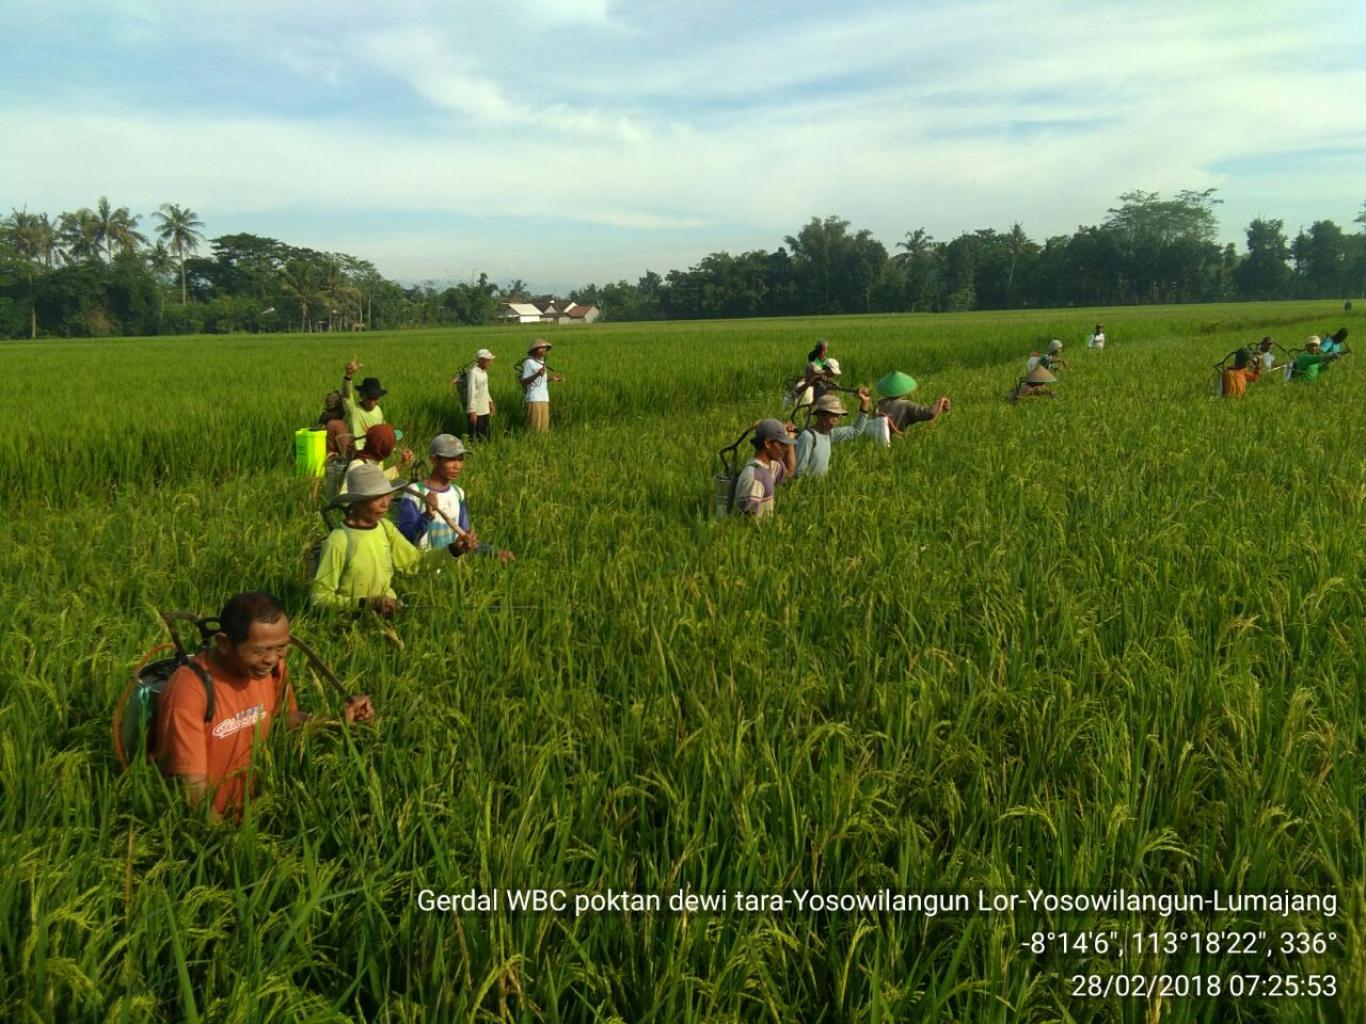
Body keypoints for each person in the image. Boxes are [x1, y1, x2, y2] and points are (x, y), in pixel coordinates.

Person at [154, 592, 374, 817]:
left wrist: (335, 722)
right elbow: (192, 793)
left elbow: (283, 720)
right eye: (259, 651)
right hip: (211, 823)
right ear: (224, 643)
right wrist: (226, 836)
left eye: (280, 648)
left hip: (255, 815)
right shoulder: (189, 691)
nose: (271, 659)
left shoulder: (273, 669)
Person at [312, 463, 460, 615]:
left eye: (387, 495)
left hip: (387, 616)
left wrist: (453, 550)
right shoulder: (339, 540)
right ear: (356, 502)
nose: (384, 504)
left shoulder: (385, 528)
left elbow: (415, 562)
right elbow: (320, 598)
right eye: (376, 497)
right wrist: (366, 603)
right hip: (351, 620)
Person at [396, 434, 515, 564]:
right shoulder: (415, 493)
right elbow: (406, 538)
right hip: (422, 568)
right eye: (451, 460)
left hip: (450, 570)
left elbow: (463, 538)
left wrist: (493, 552)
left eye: (460, 459)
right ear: (434, 460)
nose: (457, 466)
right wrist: (427, 516)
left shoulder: (458, 493)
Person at [793, 389, 871, 477]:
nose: (836, 419)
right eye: (833, 414)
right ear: (821, 415)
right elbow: (798, 471)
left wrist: (865, 403)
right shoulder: (807, 437)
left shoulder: (830, 434)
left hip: (820, 484)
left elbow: (856, 430)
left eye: (838, 415)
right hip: (807, 484)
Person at [329, 423, 413, 502]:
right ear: (383, 448)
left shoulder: (376, 461)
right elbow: (344, 496)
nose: (394, 448)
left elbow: (378, 479)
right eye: (392, 445)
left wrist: (402, 464)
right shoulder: (358, 465)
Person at [732, 418, 797, 517]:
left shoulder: (770, 466)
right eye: (781, 444)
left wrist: (790, 442)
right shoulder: (754, 477)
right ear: (768, 443)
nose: (785, 448)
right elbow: (749, 520)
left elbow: (789, 472)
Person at [875, 371, 950, 437]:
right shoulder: (905, 405)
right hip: (897, 441)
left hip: (878, 440)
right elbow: (929, 413)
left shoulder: (879, 404)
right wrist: (939, 403)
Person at [341, 357, 388, 450]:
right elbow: (346, 394)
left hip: (375, 453)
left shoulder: (378, 410)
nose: (372, 401)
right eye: (369, 397)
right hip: (358, 454)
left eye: (375, 398)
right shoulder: (353, 409)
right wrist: (349, 375)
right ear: (362, 396)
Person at [519, 340, 562, 432]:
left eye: (545, 348)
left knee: (544, 427)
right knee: (534, 427)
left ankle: (542, 441)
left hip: (544, 398)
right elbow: (523, 381)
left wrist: (552, 378)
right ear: (534, 350)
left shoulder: (542, 363)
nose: (544, 350)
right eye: (541, 348)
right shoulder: (529, 362)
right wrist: (537, 374)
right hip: (534, 398)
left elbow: (542, 380)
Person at [464, 348, 497, 440]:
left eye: (490, 360)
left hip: (485, 410)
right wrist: (472, 412)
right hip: (477, 412)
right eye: (488, 360)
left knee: (485, 436)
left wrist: (490, 402)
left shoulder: (484, 372)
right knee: (475, 437)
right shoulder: (473, 373)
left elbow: (485, 390)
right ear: (480, 360)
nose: (490, 363)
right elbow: (471, 392)